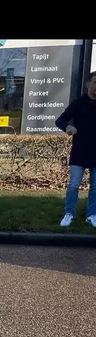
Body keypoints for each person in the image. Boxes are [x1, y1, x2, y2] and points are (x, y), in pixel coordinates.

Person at [55, 70, 96, 227]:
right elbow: (61, 119)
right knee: (74, 185)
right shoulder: (78, 103)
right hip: (80, 150)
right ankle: (69, 213)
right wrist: (68, 126)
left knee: (95, 187)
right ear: (88, 84)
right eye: (95, 83)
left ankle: (92, 215)